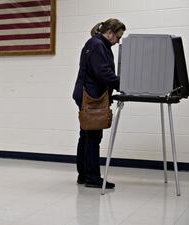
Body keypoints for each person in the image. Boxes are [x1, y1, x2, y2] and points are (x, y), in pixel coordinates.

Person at [72, 18, 126, 189]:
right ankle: (93, 178)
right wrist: (124, 84)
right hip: (92, 97)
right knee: (93, 137)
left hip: (86, 95)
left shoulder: (96, 43)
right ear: (109, 33)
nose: (118, 41)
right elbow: (104, 73)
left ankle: (84, 175)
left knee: (86, 136)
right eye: (118, 37)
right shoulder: (98, 45)